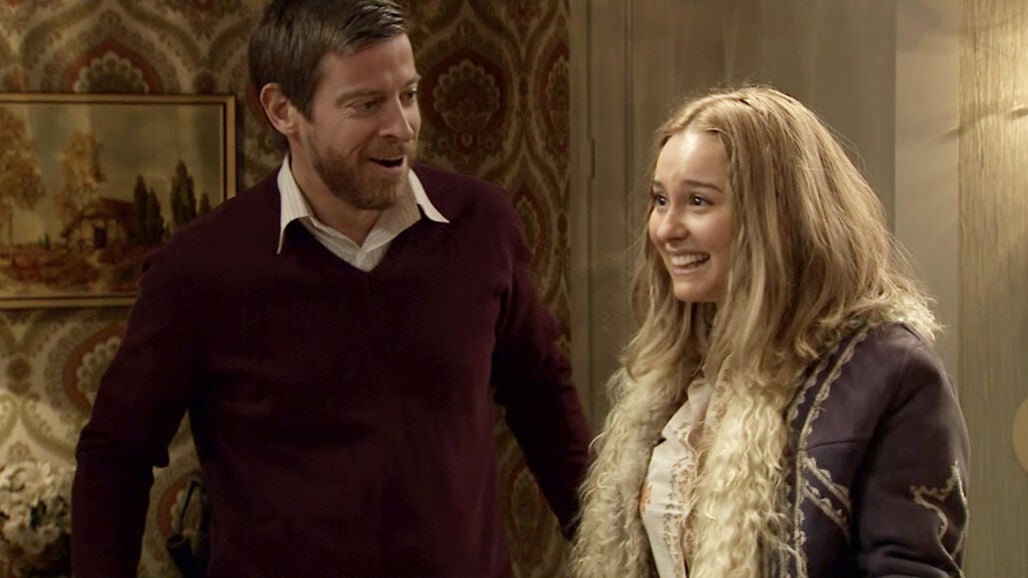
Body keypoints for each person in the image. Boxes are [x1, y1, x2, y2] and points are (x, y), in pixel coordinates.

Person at [71, 1, 591, 576]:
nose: (402, 126)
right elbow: (115, 454)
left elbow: (542, 395)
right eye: (366, 104)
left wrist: (616, 550)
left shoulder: (482, 224)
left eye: (408, 94)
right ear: (283, 110)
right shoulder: (198, 269)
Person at [570, 85, 970, 578]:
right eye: (660, 200)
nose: (665, 228)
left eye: (697, 201)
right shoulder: (673, 376)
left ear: (776, 215)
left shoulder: (889, 371)